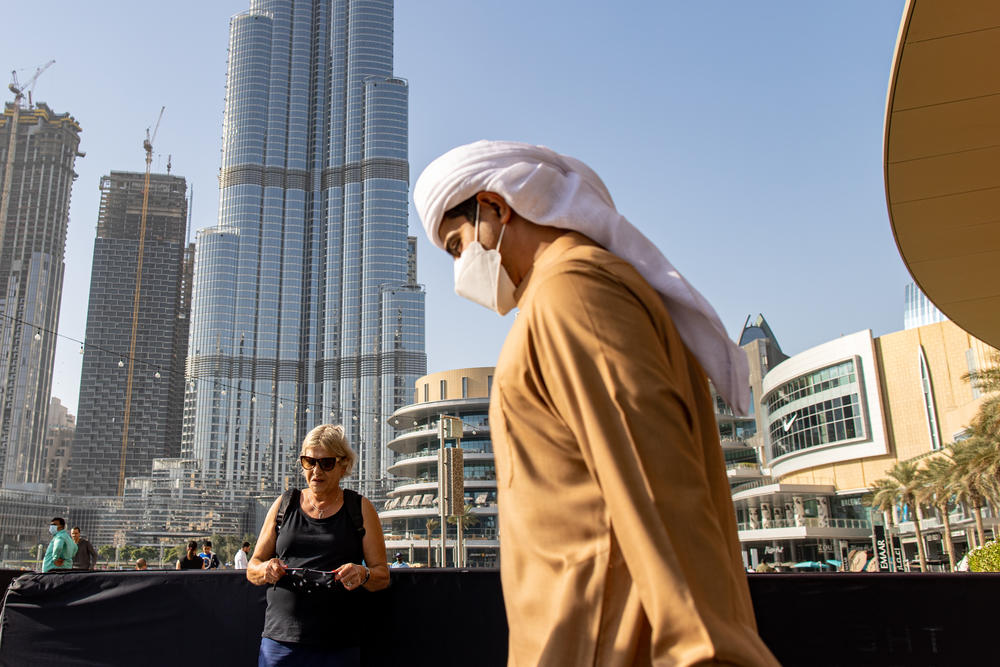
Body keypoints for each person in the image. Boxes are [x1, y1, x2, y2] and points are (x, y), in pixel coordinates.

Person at [414, 140, 779, 666]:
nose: (459, 271)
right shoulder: (560, 295)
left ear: (494, 208)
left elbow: (658, 493)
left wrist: (710, 654)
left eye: (456, 245)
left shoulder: (572, 292)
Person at [247, 424, 389, 666]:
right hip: (281, 644)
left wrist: (362, 574)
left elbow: (382, 575)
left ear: (343, 465)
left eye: (326, 463)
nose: (316, 470)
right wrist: (267, 569)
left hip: (338, 646)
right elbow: (253, 568)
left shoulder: (360, 508)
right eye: (308, 462)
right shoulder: (285, 504)